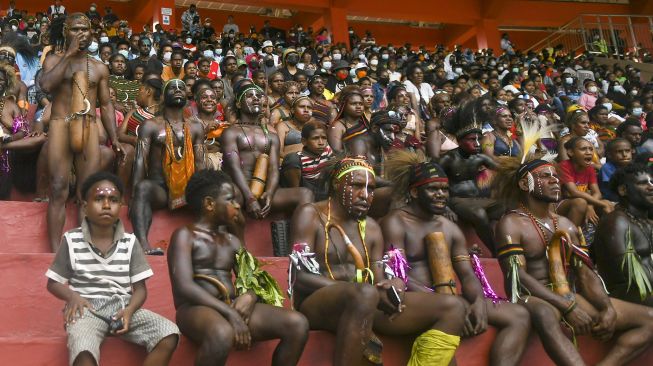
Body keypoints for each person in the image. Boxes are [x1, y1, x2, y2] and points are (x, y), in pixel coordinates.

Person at [289, 156, 466, 366]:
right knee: (365, 293)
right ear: (337, 185)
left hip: (365, 302)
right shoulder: (310, 214)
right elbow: (299, 277)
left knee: (454, 307)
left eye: (371, 189)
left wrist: (392, 286)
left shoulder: (371, 227)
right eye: (356, 186)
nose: (365, 195)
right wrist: (366, 292)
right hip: (316, 304)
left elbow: (379, 279)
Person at [494, 154, 653, 366]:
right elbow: (519, 277)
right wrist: (568, 307)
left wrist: (606, 307)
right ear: (525, 184)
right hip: (531, 295)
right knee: (544, 313)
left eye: (555, 176)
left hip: (568, 294)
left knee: (649, 317)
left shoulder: (567, 224)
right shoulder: (511, 223)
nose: (554, 180)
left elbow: (586, 274)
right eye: (545, 176)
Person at [382, 150, 530, 366]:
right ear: (414, 192)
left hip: (450, 298)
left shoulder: (449, 228)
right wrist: (450, 303)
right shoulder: (395, 222)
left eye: (444, 189)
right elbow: (397, 274)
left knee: (519, 316)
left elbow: (467, 274)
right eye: (433, 189)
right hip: (415, 301)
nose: (441, 194)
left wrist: (477, 302)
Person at [168, 169, 309, 366]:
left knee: (297, 324)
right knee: (222, 333)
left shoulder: (232, 241)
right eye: (230, 200)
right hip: (194, 309)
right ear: (209, 204)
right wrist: (230, 314)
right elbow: (185, 286)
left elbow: (253, 278)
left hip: (230, 305)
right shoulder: (185, 235)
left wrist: (250, 296)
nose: (237, 205)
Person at [45, 172, 179, 366]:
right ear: (84, 206)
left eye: (113, 200)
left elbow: (140, 289)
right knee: (83, 349)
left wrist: (130, 310)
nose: (107, 205)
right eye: (99, 199)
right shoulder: (71, 240)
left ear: (121, 206)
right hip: (86, 309)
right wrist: (72, 297)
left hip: (122, 307)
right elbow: (53, 283)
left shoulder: (130, 242)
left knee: (169, 333)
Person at [39, 13, 124, 251]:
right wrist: (69, 54)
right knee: (58, 187)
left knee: (87, 190)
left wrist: (114, 138)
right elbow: (45, 85)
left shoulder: (99, 67)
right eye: (75, 30)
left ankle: (86, 249)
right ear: (66, 32)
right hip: (60, 124)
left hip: (88, 126)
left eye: (85, 30)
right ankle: (56, 252)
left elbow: (106, 104)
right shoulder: (54, 59)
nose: (81, 34)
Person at [130, 79, 206, 255]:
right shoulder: (150, 125)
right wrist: (134, 195)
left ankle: (205, 246)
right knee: (143, 188)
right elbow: (140, 160)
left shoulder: (195, 127)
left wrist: (203, 192)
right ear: (164, 95)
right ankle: (142, 245)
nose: (178, 90)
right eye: (173, 88)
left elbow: (200, 162)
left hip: (189, 189)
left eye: (181, 87)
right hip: (160, 188)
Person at [220, 83, 313, 220]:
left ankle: (297, 239)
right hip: (239, 189)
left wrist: (269, 193)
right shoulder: (231, 132)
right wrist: (250, 198)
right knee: (226, 195)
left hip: (263, 188)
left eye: (259, 96)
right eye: (250, 96)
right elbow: (234, 167)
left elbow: (274, 168)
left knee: (305, 194)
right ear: (239, 105)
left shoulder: (271, 135)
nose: (256, 98)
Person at [439, 103, 501, 252]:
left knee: (507, 206)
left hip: (478, 199)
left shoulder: (479, 157)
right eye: (472, 139)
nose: (478, 143)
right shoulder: (448, 159)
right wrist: (445, 207)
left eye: (479, 139)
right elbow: (435, 181)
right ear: (460, 141)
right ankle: (495, 250)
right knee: (479, 214)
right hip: (457, 200)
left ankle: (506, 244)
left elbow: (503, 170)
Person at [594, 164, 653, 307]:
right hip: (628, 297)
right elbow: (626, 277)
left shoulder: (647, 222)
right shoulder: (616, 223)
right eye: (643, 183)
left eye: (652, 182)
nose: (651, 186)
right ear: (623, 190)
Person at [557, 137, 614, 228]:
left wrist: (590, 206)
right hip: (560, 205)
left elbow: (597, 193)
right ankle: (571, 237)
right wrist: (601, 204)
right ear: (570, 152)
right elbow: (574, 192)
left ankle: (600, 236)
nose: (589, 152)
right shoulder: (563, 166)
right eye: (583, 149)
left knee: (608, 202)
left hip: (583, 202)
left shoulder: (589, 168)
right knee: (581, 202)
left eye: (591, 149)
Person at [117, 76, 162, 190]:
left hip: (151, 153)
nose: (137, 94)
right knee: (128, 150)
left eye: (139, 91)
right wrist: (133, 140)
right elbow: (120, 134)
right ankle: (120, 192)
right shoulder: (134, 112)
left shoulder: (161, 118)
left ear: (148, 92)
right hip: (129, 147)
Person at [280, 121, 332, 201]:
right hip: (302, 193)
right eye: (315, 138)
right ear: (304, 141)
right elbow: (296, 188)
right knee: (291, 159)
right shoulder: (297, 159)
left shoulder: (328, 151)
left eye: (324, 138)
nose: (321, 143)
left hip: (321, 191)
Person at [327, 86, 369, 153]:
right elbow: (337, 151)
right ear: (344, 105)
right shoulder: (337, 127)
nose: (358, 107)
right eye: (353, 104)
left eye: (361, 104)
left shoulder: (365, 123)